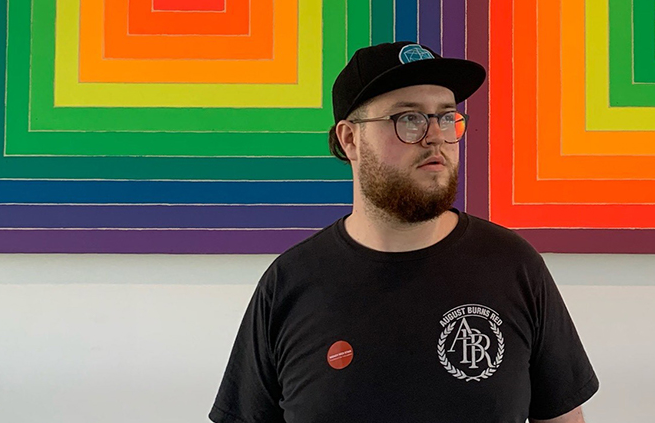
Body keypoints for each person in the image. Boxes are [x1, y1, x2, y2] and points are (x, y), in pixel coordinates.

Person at [209, 42, 599, 423]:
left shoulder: (513, 265)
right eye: (408, 118)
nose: (435, 136)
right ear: (350, 139)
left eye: (446, 117)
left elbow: (563, 416)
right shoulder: (290, 283)